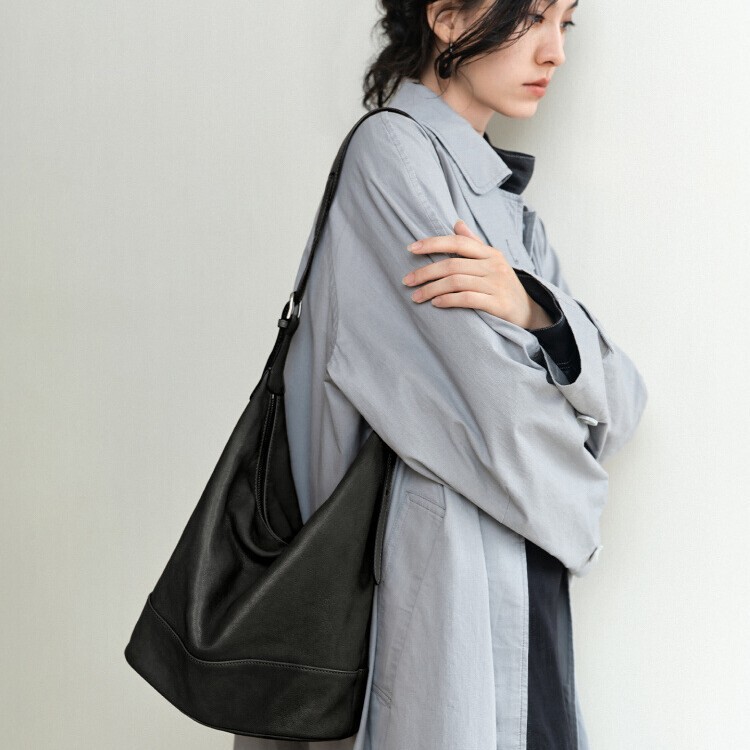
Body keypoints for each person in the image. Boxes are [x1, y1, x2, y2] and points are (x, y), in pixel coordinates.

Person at [235, 0, 648, 748]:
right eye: (532, 17)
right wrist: (572, 455)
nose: (555, 52)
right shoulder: (390, 157)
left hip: (519, 590)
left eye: (565, 23)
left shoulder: (508, 213)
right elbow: (505, 412)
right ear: (447, 17)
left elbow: (623, 400)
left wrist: (535, 308)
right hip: (439, 601)